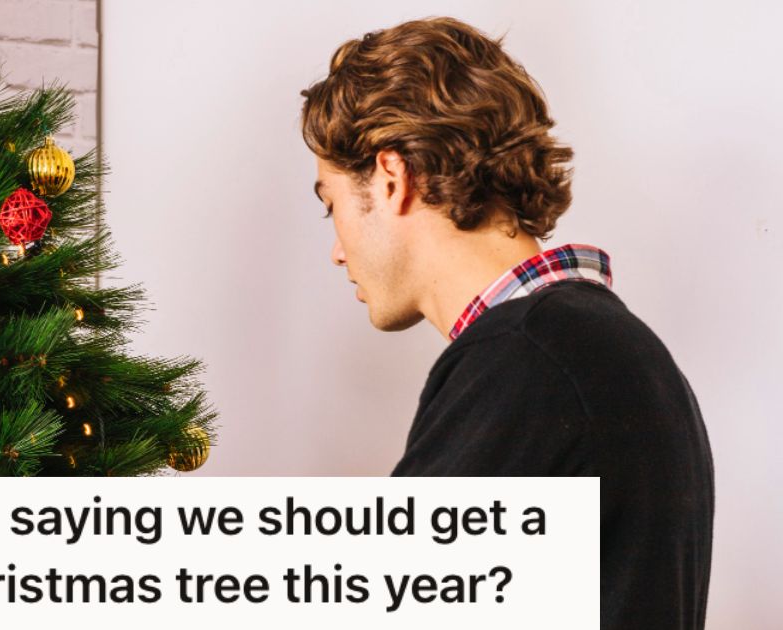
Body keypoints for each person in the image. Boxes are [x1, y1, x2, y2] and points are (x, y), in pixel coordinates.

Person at [301, 17, 714, 629]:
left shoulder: (527, 360)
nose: (338, 251)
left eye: (331, 205)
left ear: (392, 179)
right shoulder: (597, 346)